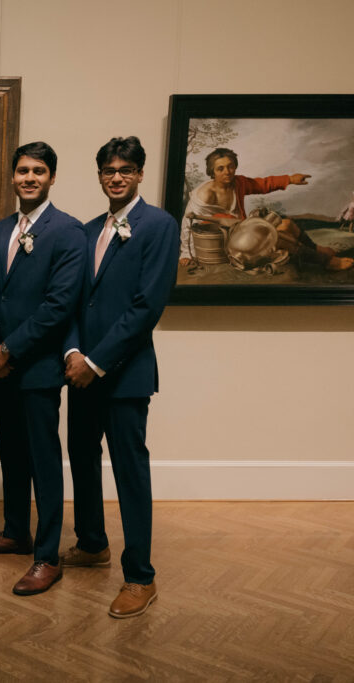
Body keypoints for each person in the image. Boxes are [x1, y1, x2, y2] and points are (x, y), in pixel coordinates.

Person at [62, 137, 179, 618]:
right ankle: (92, 543)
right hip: (79, 369)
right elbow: (69, 299)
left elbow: (146, 306)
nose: (116, 177)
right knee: (83, 457)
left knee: (130, 470)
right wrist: (73, 352)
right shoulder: (87, 230)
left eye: (126, 170)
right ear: (99, 175)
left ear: (140, 174)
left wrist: (96, 362)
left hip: (124, 374)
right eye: (109, 170)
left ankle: (140, 576)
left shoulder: (159, 226)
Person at [0, 142, 86, 595]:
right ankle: (15, 532)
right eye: (22, 170)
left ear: (52, 178)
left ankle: (47, 555)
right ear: (13, 176)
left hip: (37, 367)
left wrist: (9, 350)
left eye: (38, 171)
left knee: (44, 461)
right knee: (12, 454)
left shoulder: (68, 231)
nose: (29, 178)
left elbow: (60, 305)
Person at [181, 147, 352, 270]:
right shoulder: (205, 195)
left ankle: (318, 249)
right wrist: (185, 254)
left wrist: (290, 179)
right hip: (230, 245)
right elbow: (188, 222)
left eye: (231, 166)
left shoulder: (238, 183)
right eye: (220, 168)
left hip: (246, 232)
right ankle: (325, 261)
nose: (227, 171)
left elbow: (261, 184)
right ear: (212, 171)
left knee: (287, 224)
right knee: (276, 236)